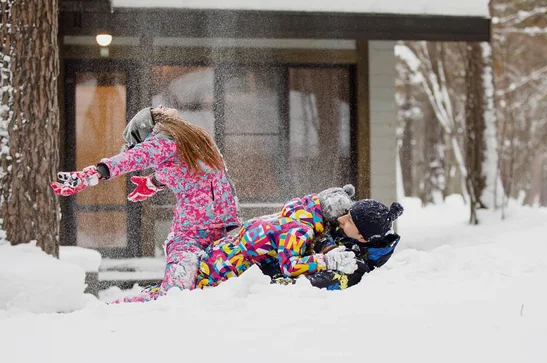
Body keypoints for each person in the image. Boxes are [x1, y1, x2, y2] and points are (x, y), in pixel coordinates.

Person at [51, 106, 240, 303]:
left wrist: (97, 173)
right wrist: (153, 182)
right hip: (221, 226)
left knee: (174, 294)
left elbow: (133, 158)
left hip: (192, 231)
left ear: (145, 133)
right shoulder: (194, 142)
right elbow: (186, 172)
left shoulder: (162, 140)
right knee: (205, 285)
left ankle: (119, 309)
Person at [191, 184, 360, 289]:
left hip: (218, 253)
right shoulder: (299, 230)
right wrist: (327, 261)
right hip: (223, 270)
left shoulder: (297, 213)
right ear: (328, 221)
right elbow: (290, 266)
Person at [258, 199, 403, 290]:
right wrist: (327, 247)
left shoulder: (353, 267)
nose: (341, 219)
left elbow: (306, 285)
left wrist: (271, 280)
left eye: (349, 221)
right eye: (347, 214)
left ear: (363, 238)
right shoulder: (348, 233)